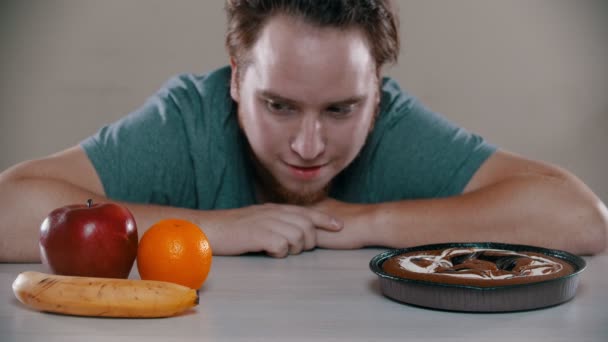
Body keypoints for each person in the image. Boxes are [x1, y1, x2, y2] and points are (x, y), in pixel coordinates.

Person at [0, 0, 606, 262]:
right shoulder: (189, 119)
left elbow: (581, 219)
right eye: (279, 105)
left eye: (342, 109)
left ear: (377, 92)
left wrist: (363, 223)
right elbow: (7, 210)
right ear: (236, 78)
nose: (309, 148)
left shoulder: (392, 126)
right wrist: (218, 230)